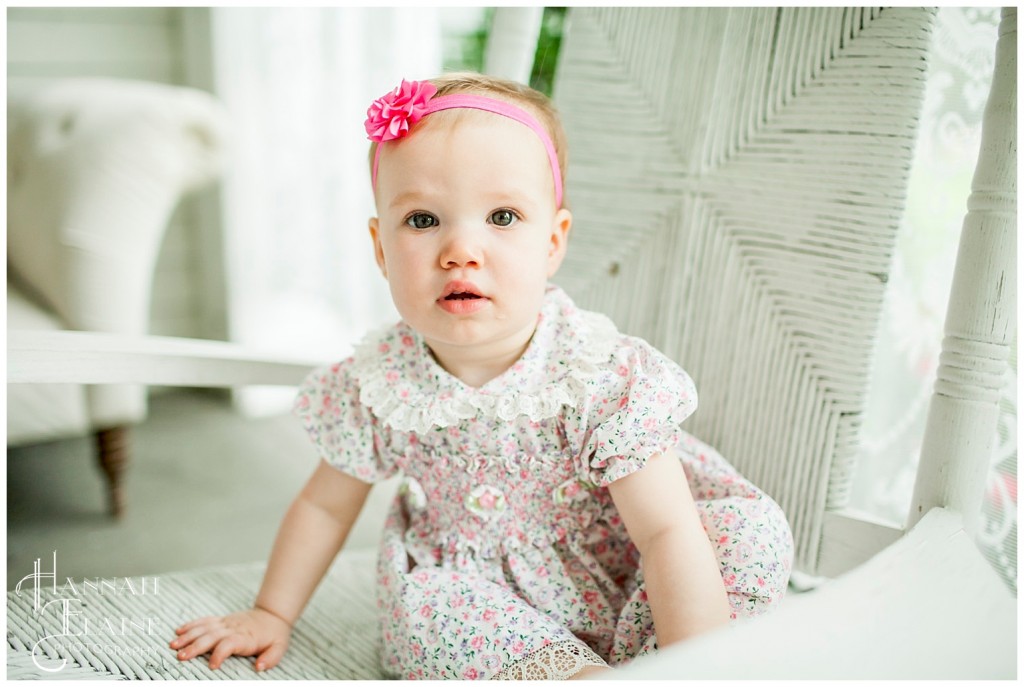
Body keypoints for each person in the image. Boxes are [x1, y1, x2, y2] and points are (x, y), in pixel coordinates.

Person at [170, 72, 794, 680]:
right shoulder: (381, 382)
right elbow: (325, 508)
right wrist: (270, 610)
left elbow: (665, 532)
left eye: (501, 217)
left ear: (553, 241)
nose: (461, 250)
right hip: (480, 606)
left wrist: (694, 666)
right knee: (429, 611)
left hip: (639, 574)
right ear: (381, 248)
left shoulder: (600, 375)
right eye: (421, 220)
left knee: (743, 533)